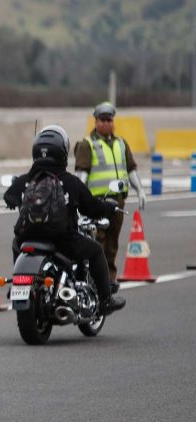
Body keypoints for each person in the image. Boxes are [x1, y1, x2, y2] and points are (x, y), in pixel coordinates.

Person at [3, 125, 126, 315]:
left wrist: (14, 200)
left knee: (15, 244)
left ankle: (19, 283)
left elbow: (9, 196)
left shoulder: (26, 180)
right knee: (95, 251)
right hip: (61, 239)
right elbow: (92, 208)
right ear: (62, 152)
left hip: (27, 237)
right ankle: (105, 300)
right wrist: (109, 207)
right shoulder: (69, 181)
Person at [73, 102, 147, 288]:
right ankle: (95, 280)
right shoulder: (87, 144)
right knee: (97, 240)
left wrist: (140, 190)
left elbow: (131, 169)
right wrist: (78, 198)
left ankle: (109, 279)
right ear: (95, 121)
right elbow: (82, 173)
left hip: (117, 202)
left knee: (112, 242)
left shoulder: (121, 143)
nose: (106, 123)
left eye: (109, 120)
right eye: (102, 120)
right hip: (97, 202)